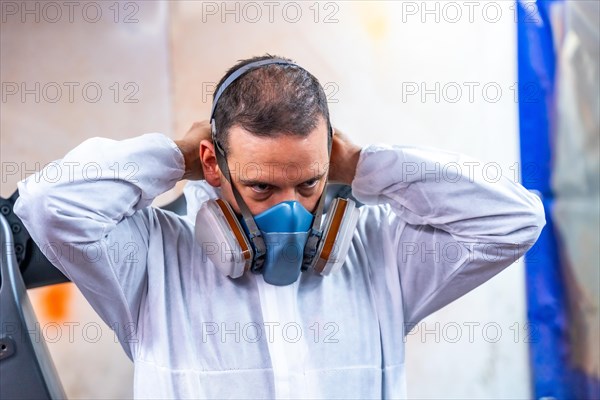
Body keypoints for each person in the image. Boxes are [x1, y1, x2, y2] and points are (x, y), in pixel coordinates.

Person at [14, 54, 546, 399]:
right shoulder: (150, 258)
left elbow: (513, 220)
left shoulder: (382, 255)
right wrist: (176, 156)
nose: (291, 209)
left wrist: (364, 165)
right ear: (215, 164)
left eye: (309, 183)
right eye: (263, 187)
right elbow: (47, 204)